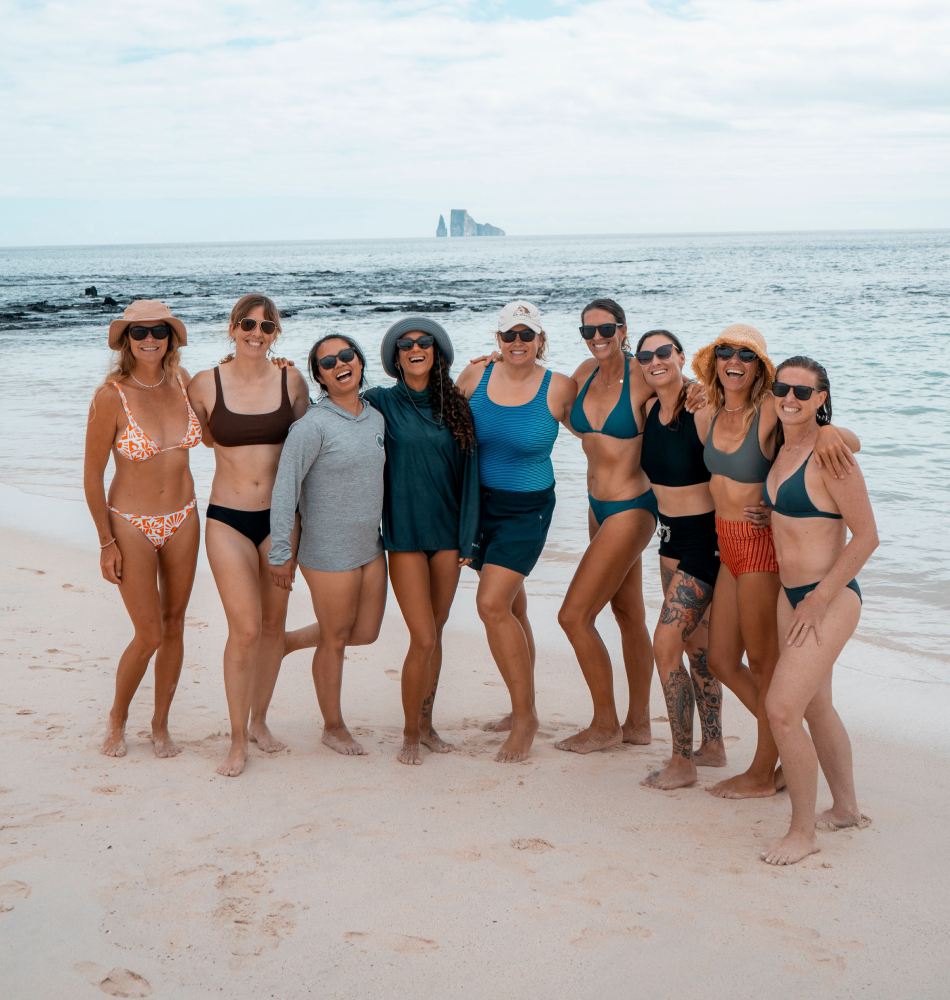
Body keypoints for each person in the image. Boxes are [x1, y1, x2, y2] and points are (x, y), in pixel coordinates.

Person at [691, 324, 859, 799]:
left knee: (764, 664)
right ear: (714, 361)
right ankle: (787, 746)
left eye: (746, 354)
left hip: (761, 550)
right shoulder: (708, 408)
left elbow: (823, 430)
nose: (734, 360)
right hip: (728, 547)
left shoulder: (771, 408)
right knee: (722, 659)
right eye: (725, 352)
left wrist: (829, 431)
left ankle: (765, 770)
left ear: (759, 367)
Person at [760, 357, 877, 864]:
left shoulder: (832, 454)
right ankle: (846, 808)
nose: (790, 398)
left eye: (803, 393)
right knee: (814, 706)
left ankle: (802, 832)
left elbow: (867, 536)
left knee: (782, 710)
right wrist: (771, 512)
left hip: (826, 597)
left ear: (821, 399)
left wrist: (818, 598)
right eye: (782, 388)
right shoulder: (785, 446)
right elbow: (804, 514)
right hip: (792, 595)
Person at [187, 295, 310, 776]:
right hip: (227, 520)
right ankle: (236, 740)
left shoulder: (292, 380)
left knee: (274, 628)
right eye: (247, 324)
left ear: (276, 332)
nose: (256, 332)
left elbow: (314, 440)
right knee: (245, 630)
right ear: (232, 328)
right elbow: (195, 436)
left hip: (281, 522)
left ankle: (260, 721)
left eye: (266, 326)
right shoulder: (203, 384)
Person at [455, 301, 575, 762]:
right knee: (512, 605)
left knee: (491, 604)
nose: (518, 343)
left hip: (528, 509)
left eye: (527, 335)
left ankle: (526, 718)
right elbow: (437, 420)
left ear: (541, 340)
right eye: (510, 335)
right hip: (477, 506)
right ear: (497, 340)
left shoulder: (558, 387)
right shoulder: (475, 378)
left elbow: (602, 430)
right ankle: (519, 704)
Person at [84, 300, 201, 759]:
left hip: (184, 517)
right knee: (149, 633)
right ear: (126, 341)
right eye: (139, 332)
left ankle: (160, 724)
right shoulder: (111, 395)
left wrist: (271, 366)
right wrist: (105, 542)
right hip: (130, 523)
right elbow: (92, 475)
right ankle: (117, 717)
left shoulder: (184, 382)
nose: (150, 338)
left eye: (159, 331)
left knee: (175, 625)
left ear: (170, 337)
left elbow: (217, 430)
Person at [363, 318, 480, 764]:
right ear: (396, 357)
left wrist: (470, 538)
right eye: (406, 344)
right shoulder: (379, 403)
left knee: (438, 631)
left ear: (437, 352)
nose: (415, 348)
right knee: (423, 636)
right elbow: (330, 404)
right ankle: (410, 735)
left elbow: (470, 474)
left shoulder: (456, 406)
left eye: (424, 343)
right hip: (405, 536)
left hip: (449, 536)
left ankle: (428, 726)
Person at [554, 299, 666, 754]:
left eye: (606, 328)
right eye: (588, 330)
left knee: (574, 616)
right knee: (627, 613)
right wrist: (499, 360)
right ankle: (638, 724)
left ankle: (604, 725)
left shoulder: (643, 376)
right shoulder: (583, 371)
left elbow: (696, 399)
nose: (597, 336)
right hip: (596, 506)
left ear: (623, 329)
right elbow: (566, 415)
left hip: (633, 507)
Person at [268, 334, 388, 757]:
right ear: (319, 375)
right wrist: (280, 553)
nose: (340, 363)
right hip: (327, 552)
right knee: (336, 638)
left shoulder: (376, 417)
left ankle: (290, 641)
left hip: (371, 547)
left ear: (359, 361)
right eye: (327, 361)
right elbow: (285, 489)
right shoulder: (312, 426)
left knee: (367, 632)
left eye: (346, 355)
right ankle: (333, 727)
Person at [635, 329, 730, 789]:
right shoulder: (650, 409)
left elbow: (736, 462)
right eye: (646, 355)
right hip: (668, 541)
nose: (655, 360)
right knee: (697, 649)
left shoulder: (703, 407)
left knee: (665, 644)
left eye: (663, 352)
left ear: (680, 356)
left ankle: (681, 761)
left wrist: (762, 508)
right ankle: (711, 746)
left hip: (703, 542)